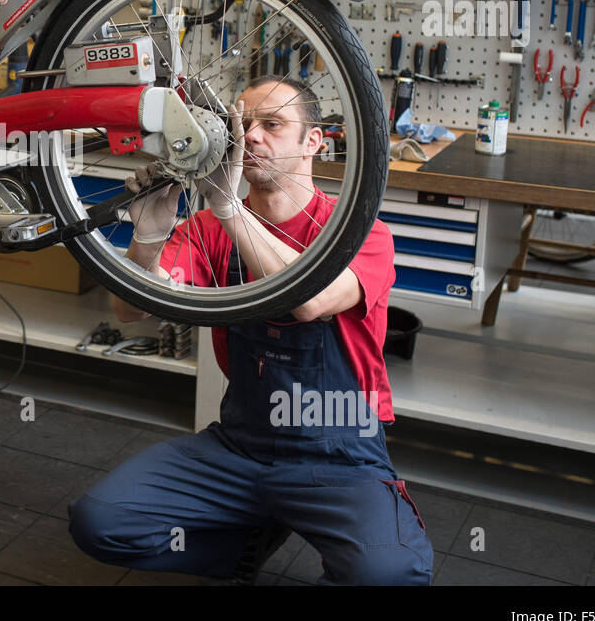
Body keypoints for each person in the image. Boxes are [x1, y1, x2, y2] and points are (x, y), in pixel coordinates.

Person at [67, 76, 433, 585]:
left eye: (272, 124)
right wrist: (146, 238)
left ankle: (290, 519)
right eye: (242, 125)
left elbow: (311, 301)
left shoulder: (360, 230)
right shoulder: (206, 231)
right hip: (240, 447)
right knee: (99, 522)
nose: (252, 137)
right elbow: (130, 312)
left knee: (390, 574)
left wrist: (230, 208)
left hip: (339, 456)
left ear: (313, 142)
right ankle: (244, 544)